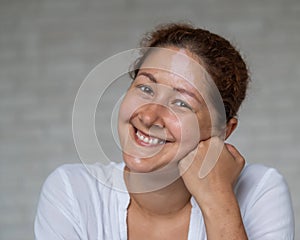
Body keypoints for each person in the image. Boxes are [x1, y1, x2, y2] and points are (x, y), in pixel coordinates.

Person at [34, 23, 294, 239]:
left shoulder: (260, 190)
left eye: (182, 103)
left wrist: (218, 200)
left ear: (224, 130)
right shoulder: (73, 190)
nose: (148, 116)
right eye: (146, 88)